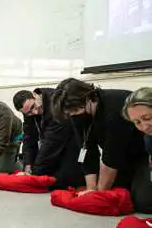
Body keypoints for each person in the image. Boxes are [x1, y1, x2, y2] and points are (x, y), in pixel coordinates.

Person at [52, 78, 150, 212]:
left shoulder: (114, 107)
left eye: (75, 110)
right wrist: (91, 189)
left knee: (142, 201)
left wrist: (99, 195)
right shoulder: (78, 114)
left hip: (143, 154)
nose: (74, 115)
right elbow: (86, 149)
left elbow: (111, 157)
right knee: (113, 188)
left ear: (88, 98)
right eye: (70, 113)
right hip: (122, 158)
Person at [13, 88, 85, 188]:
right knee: (46, 178)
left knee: (60, 182)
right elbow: (29, 137)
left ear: (35, 95)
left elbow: (51, 142)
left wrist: (34, 174)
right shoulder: (29, 110)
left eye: (33, 107)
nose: (35, 112)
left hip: (73, 141)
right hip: (53, 144)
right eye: (28, 112)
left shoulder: (55, 103)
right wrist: (28, 165)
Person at [122, 87, 152, 213]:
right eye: (137, 122)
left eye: (147, 118)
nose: (144, 127)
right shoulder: (148, 137)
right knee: (142, 202)